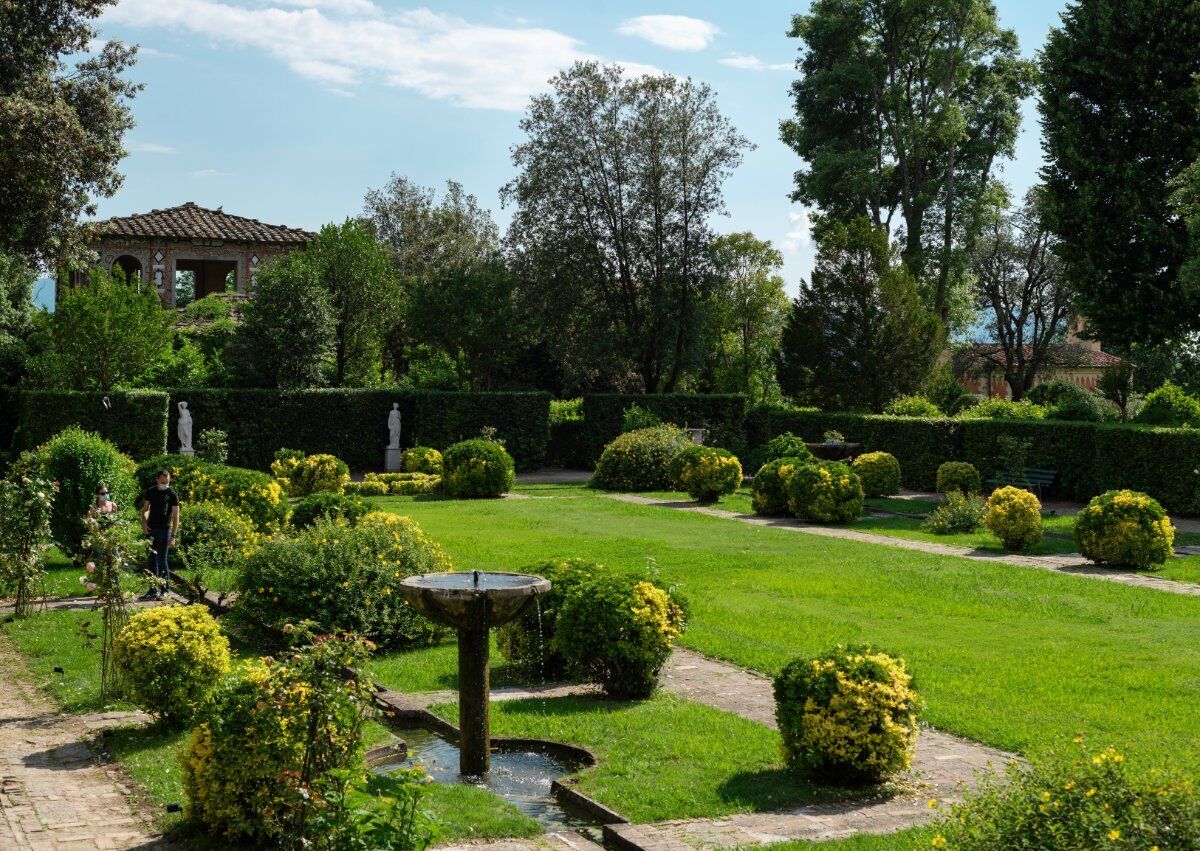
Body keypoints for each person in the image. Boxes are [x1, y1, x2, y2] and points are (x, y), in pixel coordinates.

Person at [140, 469, 180, 600]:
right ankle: (152, 590)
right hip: (152, 529)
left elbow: (176, 517)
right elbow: (145, 510)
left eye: (167, 481)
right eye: (163, 481)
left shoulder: (172, 494)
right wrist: (144, 523)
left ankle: (165, 589)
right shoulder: (151, 491)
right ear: (157, 479)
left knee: (161, 560)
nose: (165, 484)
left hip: (164, 529)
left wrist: (173, 536)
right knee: (151, 560)